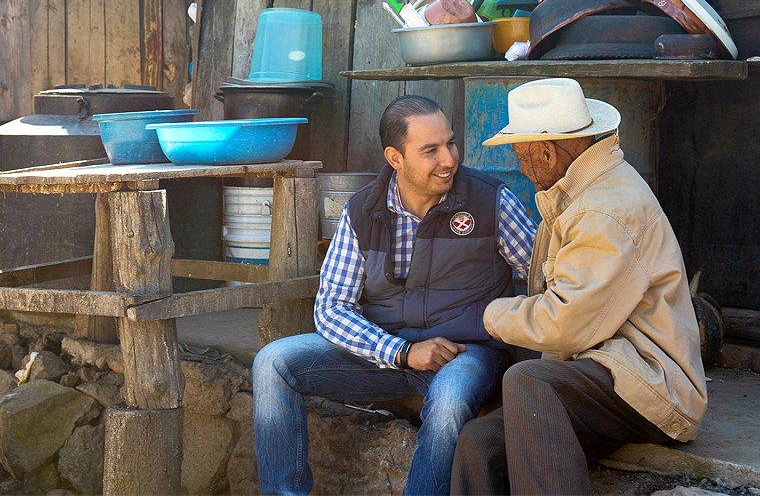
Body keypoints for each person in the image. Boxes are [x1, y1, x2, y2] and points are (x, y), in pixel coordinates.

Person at [252, 95, 537, 496]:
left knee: (450, 400)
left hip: (466, 353)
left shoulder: (490, 201)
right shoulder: (362, 211)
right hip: (385, 352)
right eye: (431, 150)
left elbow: (545, 276)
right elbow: (331, 308)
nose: (448, 159)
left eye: (451, 143)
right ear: (395, 158)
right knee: (273, 362)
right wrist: (401, 351)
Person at [450, 78, 708, 495]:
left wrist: (485, 315)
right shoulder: (583, 193)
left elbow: (565, 323)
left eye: (521, 156)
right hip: (604, 368)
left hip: (650, 384)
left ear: (547, 153)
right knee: (480, 442)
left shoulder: (603, 210)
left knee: (529, 380)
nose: (521, 168)